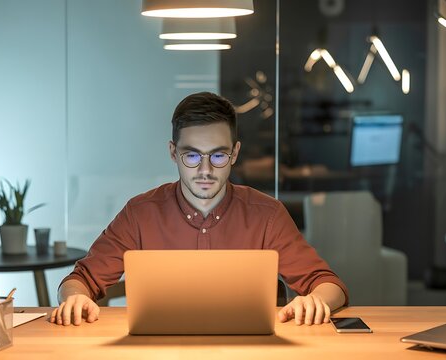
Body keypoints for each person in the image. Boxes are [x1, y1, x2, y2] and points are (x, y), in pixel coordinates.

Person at [51, 92, 348, 327]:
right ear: (173, 153)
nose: (205, 170)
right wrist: (76, 299)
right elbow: (80, 280)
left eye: (218, 156)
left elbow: (329, 284)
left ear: (235, 153)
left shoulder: (266, 214)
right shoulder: (140, 213)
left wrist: (316, 301)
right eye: (191, 156)